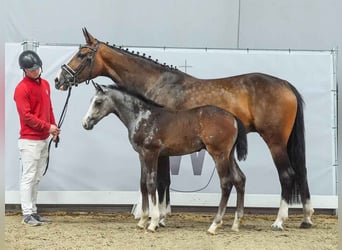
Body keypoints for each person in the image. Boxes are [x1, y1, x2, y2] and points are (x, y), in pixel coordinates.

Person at [14, 50, 60, 226]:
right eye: (31, 69)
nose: (35, 71)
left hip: (43, 139)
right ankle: (27, 213)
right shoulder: (21, 89)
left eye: (37, 68)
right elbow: (27, 117)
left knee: (37, 176)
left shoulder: (46, 85)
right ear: (24, 70)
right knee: (29, 176)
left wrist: (53, 129)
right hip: (29, 140)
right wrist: (48, 127)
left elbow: (49, 109)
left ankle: (33, 210)